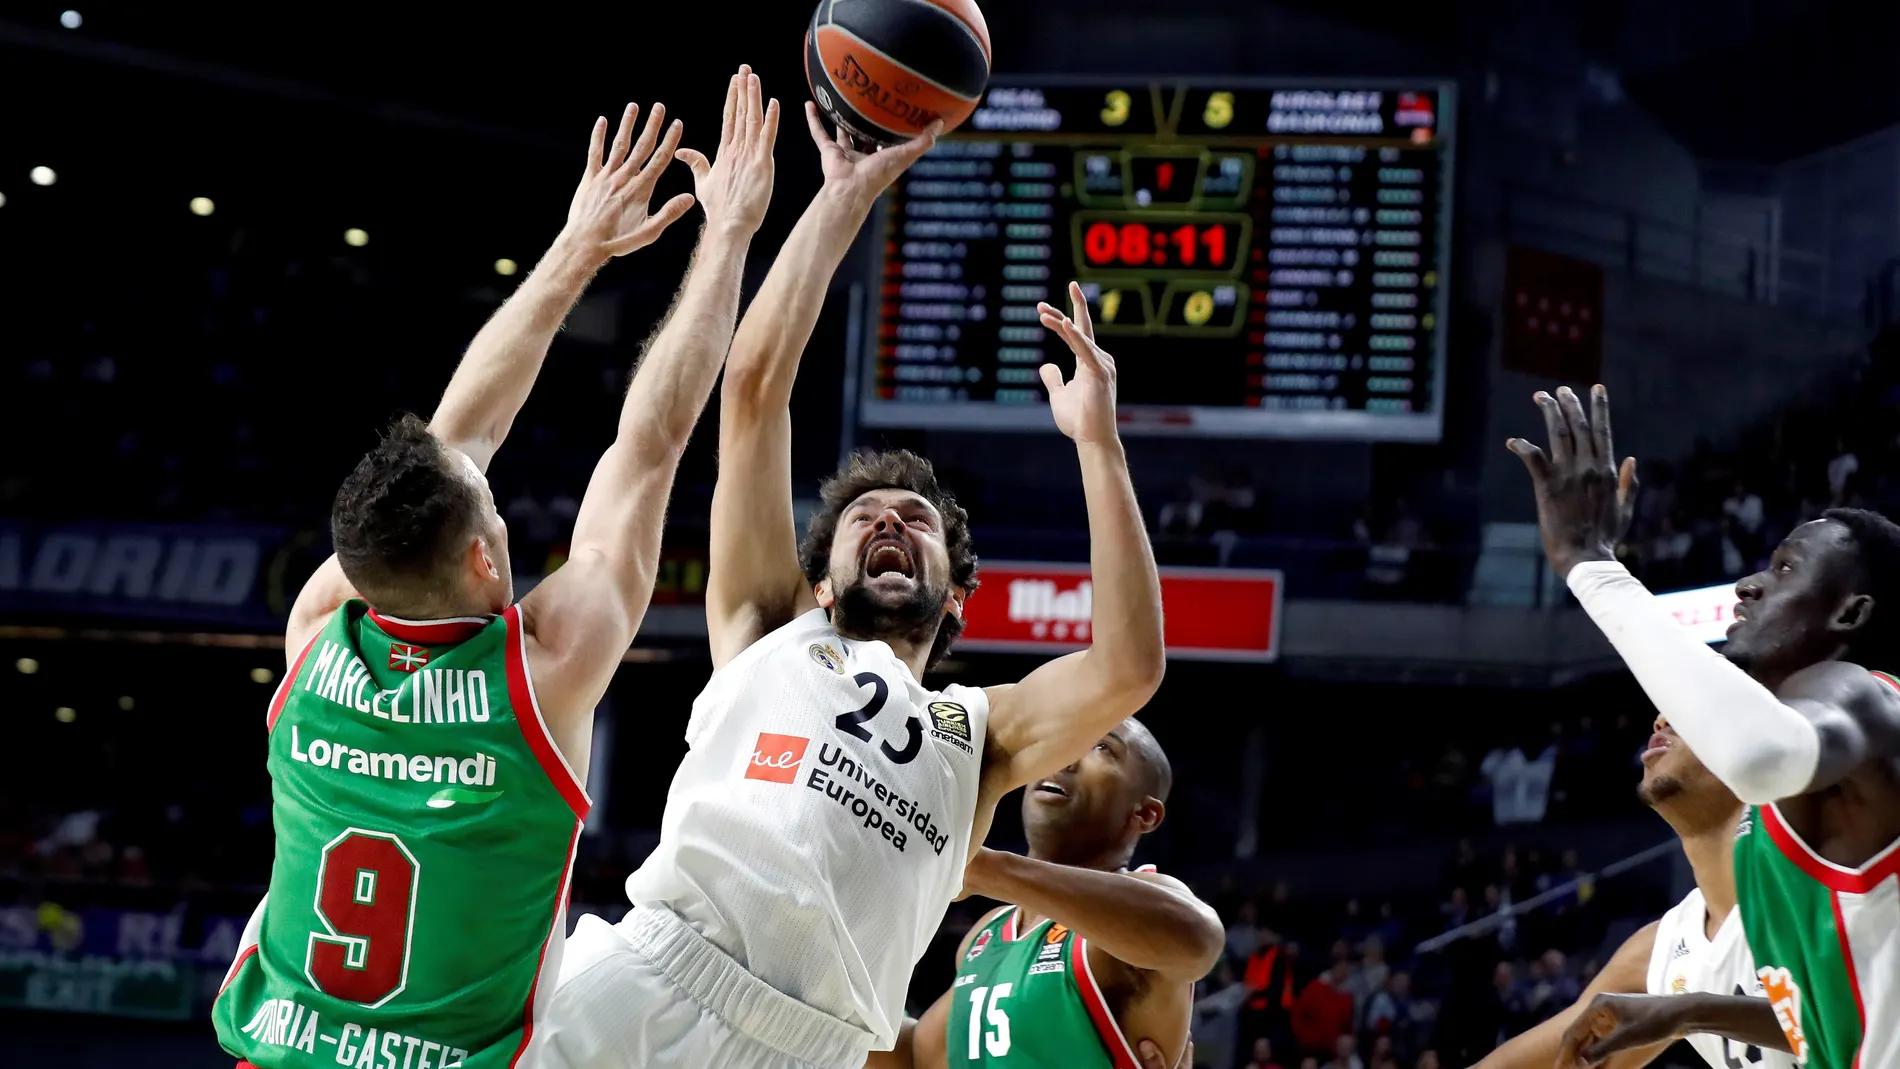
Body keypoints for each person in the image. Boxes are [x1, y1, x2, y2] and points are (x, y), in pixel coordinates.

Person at [533, 100, 1168, 1069]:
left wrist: (1098, 444)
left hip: (817, 1048)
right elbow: (753, 389)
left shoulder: (982, 734)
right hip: (655, 979)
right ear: (821, 583)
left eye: (915, 520)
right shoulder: (769, 630)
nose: (889, 520)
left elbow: (1128, 664)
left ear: (956, 596)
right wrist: (842, 191)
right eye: (865, 515)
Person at [212, 67, 776, 1069]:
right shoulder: (544, 671)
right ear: (483, 554)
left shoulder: (313, 635)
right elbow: (648, 445)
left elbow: (458, 439)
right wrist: (727, 232)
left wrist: (576, 249)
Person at [1506, 384, 1900, 1069]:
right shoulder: (1770, 831)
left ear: (1851, 614)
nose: (1748, 585)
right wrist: (1690, 1007)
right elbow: (1826, 1020)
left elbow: (1753, 752)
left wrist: (1591, 565)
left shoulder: (1868, 698)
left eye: (1783, 569)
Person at [863, 720, 1220, 1069]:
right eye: (1063, 742)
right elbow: (914, 1055)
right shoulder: (987, 933)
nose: (1065, 758)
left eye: (1102, 747)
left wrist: (984, 868)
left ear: (1145, 812)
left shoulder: (1152, 903)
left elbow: (1199, 941)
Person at [1460, 718, 1795, 1069]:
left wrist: (1687, 1010)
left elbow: (1847, 1024)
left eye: (1687, 708)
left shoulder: (1814, 885)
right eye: (1662, 709)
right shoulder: (1661, 950)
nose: (1662, 718)